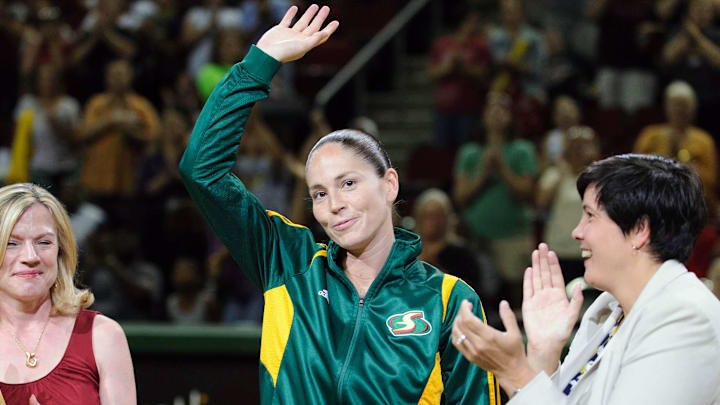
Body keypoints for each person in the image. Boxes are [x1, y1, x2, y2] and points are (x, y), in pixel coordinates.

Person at [179, 5, 499, 404]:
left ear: (389, 185)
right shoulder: (288, 262)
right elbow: (201, 170)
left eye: (348, 183)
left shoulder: (450, 300)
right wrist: (257, 65)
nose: (334, 205)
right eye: (318, 193)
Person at [451, 154, 720, 403]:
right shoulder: (610, 309)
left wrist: (515, 374)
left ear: (640, 230)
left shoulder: (683, 317)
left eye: (590, 215)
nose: (577, 232)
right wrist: (543, 355)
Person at [0, 183, 135, 404]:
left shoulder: (103, 336)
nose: (30, 256)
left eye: (44, 242)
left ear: (61, 251)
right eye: (12, 243)